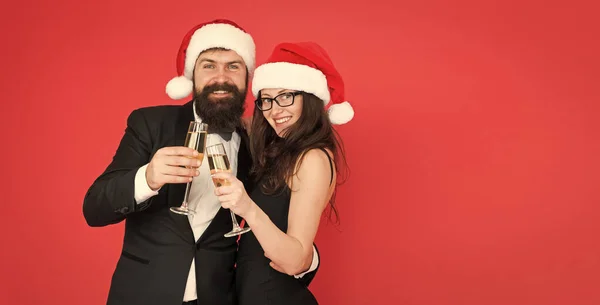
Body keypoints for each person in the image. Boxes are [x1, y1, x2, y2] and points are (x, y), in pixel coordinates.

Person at [82, 20, 318, 305]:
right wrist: (147, 178)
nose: (222, 77)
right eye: (209, 65)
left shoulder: (256, 143)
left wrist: (307, 259)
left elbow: (275, 215)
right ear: (192, 75)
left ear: (247, 78)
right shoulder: (151, 123)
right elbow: (94, 209)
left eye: (233, 66)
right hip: (143, 295)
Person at [212, 41, 354, 305]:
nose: (275, 111)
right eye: (266, 100)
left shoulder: (312, 158)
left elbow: (295, 261)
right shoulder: (281, 150)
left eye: (286, 96)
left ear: (309, 98)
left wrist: (247, 208)